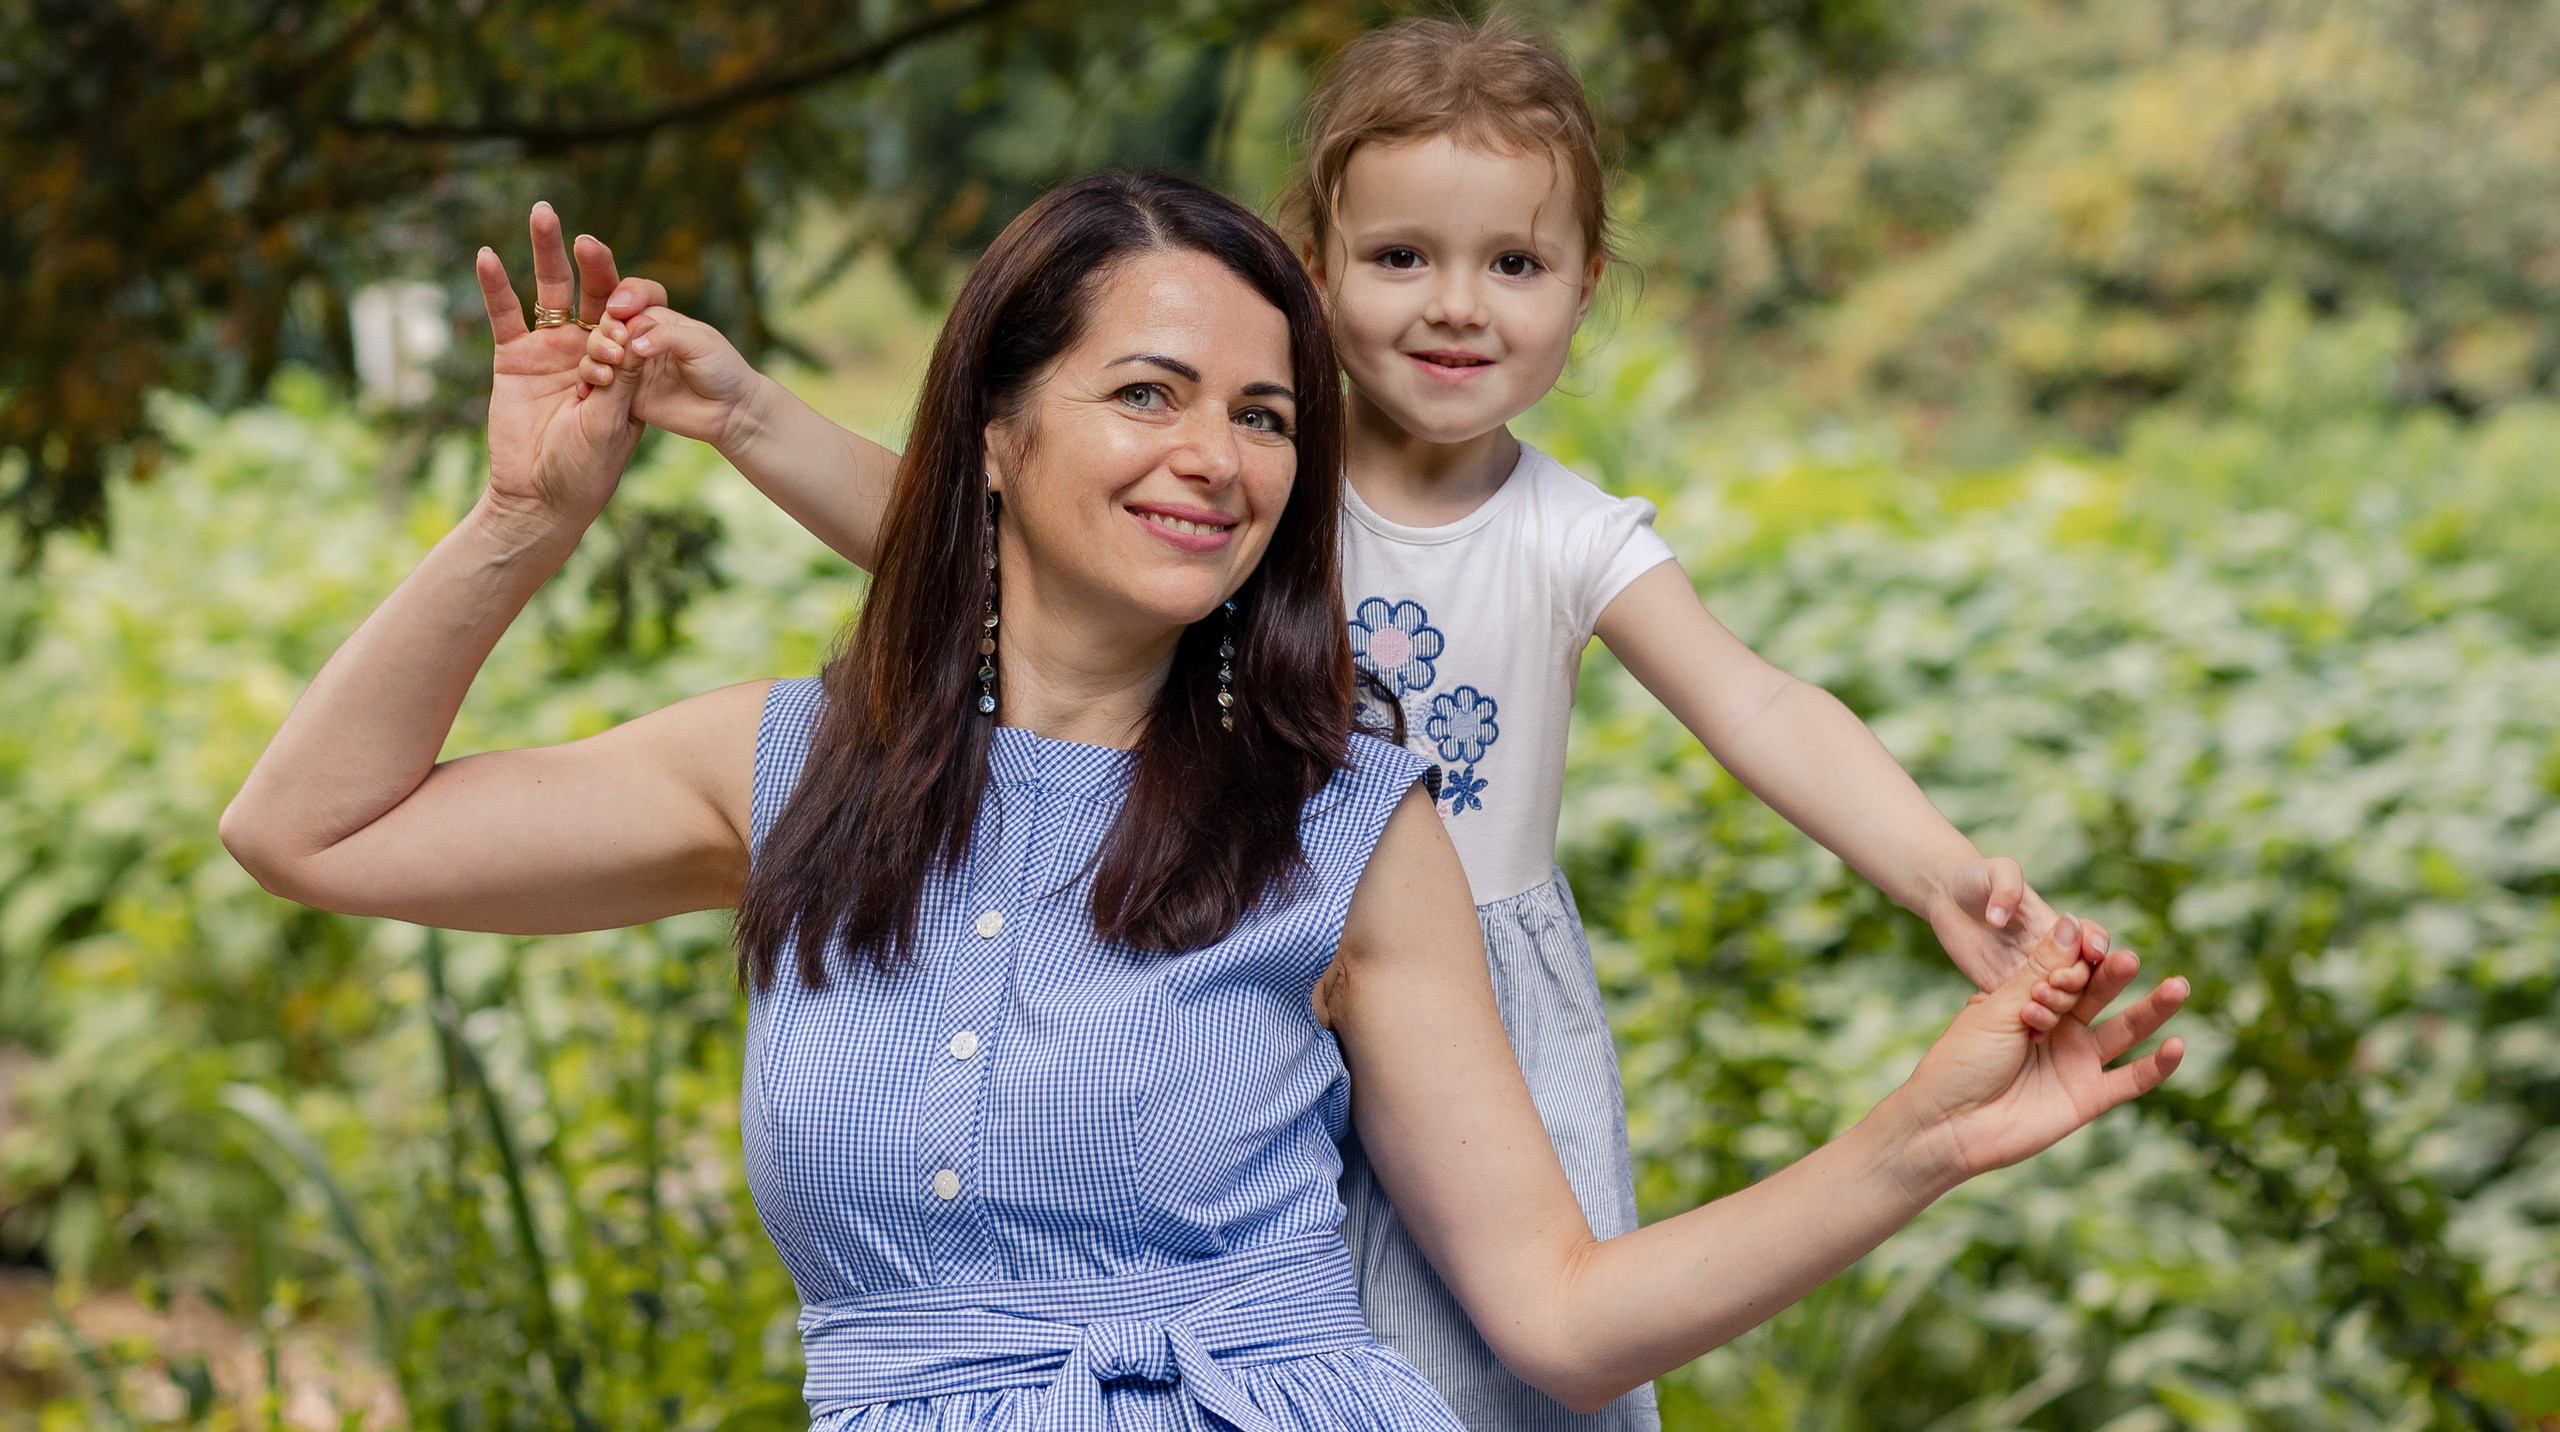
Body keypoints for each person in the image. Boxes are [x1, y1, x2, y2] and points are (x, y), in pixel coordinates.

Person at [225, 177, 2185, 1432]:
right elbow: (313, 827)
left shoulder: (1338, 817)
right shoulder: (790, 765)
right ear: (992, 432)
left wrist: (1912, 1140)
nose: (1218, 454)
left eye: (1263, 414)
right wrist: (517, 524)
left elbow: (1560, 1318)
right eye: (1148, 391)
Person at [576, 18, 2075, 1432]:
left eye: (1514, 262)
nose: (1455, 304)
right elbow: (949, 527)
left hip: (1446, 963)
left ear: (1587, 284)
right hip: (1212, 940)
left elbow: (1755, 700)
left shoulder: (1560, 531)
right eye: (1403, 255)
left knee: (1493, 1362)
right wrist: (749, 415)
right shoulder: (1239, 474)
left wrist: (1938, 869)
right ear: (1315, 273)